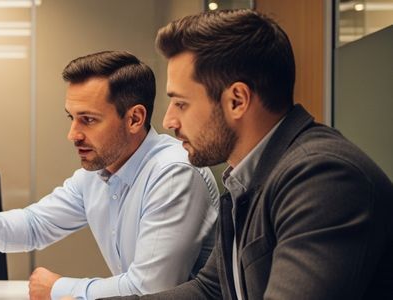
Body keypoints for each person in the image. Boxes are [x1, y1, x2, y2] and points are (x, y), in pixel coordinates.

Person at [102, 9, 393, 300]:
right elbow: (211, 290)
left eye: (181, 103)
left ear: (237, 100)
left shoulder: (323, 178)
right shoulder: (248, 177)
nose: (168, 121)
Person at [0, 51, 220, 300]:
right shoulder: (99, 170)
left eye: (88, 120)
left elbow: (150, 289)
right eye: (72, 117)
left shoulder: (172, 174)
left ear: (134, 118)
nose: (73, 134)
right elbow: (36, 224)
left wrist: (57, 288)